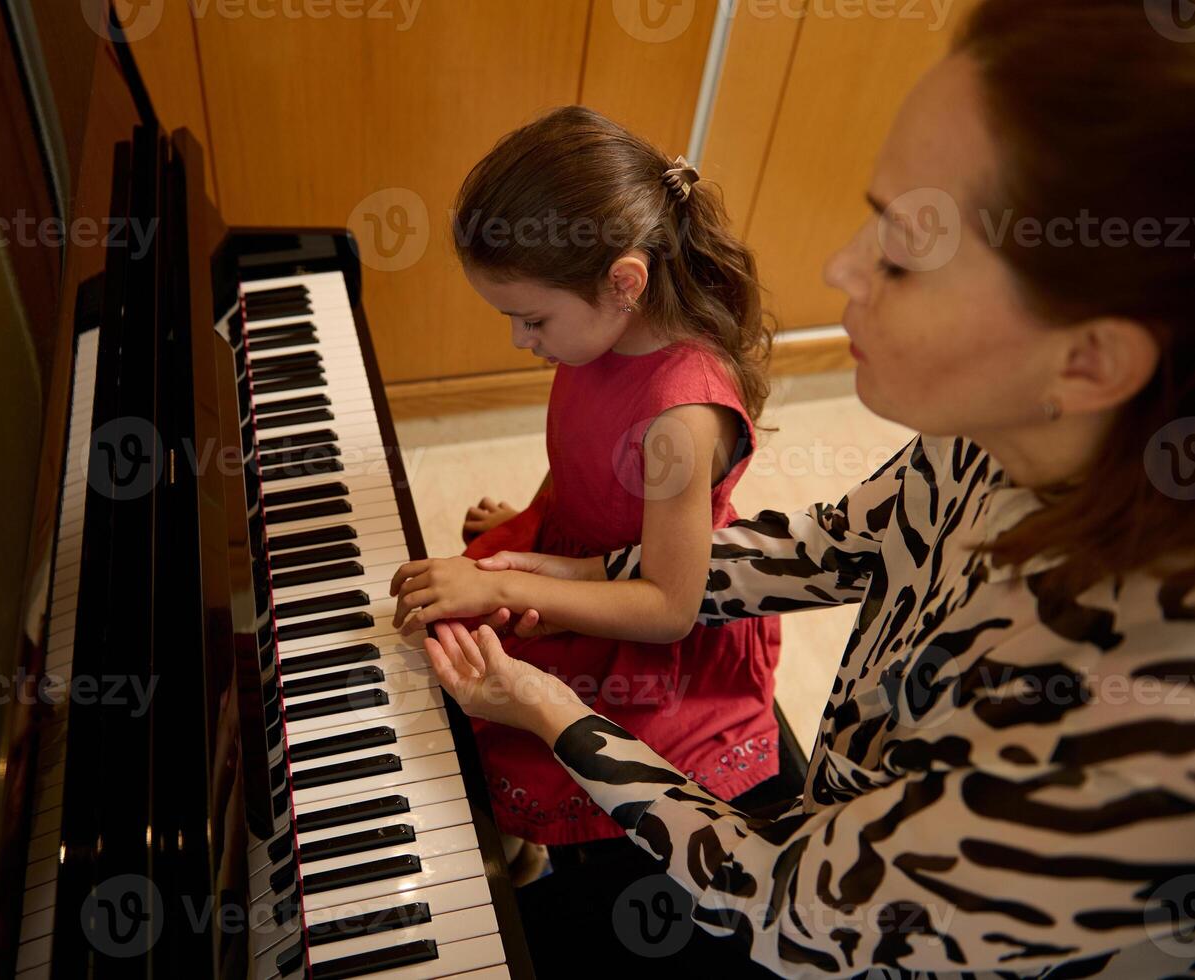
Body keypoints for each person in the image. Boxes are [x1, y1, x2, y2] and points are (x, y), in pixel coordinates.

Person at [406, 0, 1195, 975]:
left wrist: (554, 710)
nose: (838, 269)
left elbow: (787, 904)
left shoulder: (1137, 732)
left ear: (1091, 359)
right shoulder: (1002, 433)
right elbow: (832, 546)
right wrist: (565, 567)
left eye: (904, 254)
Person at [387, 106, 783, 858]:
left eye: (530, 319)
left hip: (641, 628)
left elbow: (668, 606)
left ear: (623, 282)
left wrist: (505, 587)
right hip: (574, 550)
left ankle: (533, 858)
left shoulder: (679, 415)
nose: (519, 340)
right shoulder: (597, 334)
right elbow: (585, 448)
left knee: (505, 719)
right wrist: (544, 510)